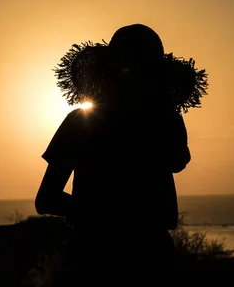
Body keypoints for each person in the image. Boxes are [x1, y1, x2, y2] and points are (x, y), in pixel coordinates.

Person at [35, 24, 207, 285]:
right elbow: (46, 199)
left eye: (143, 69)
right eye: (130, 66)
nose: (134, 74)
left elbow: (47, 199)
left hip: (120, 255)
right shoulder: (161, 120)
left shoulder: (162, 120)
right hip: (114, 255)